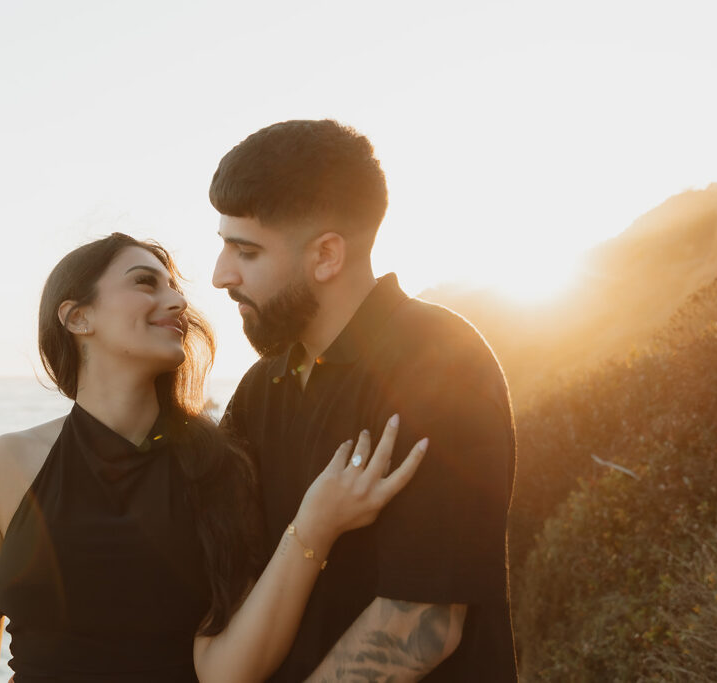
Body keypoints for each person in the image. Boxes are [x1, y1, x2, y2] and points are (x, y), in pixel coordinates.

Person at [0, 233, 430, 682]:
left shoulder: (219, 466)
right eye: (145, 282)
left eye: (174, 289)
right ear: (78, 317)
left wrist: (314, 527)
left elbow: (225, 672)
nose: (177, 302)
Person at [210, 119, 518, 681]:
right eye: (224, 245)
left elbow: (422, 625)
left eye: (246, 251)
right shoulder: (260, 387)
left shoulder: (438, 361)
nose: (220, 275)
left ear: (327, 255)